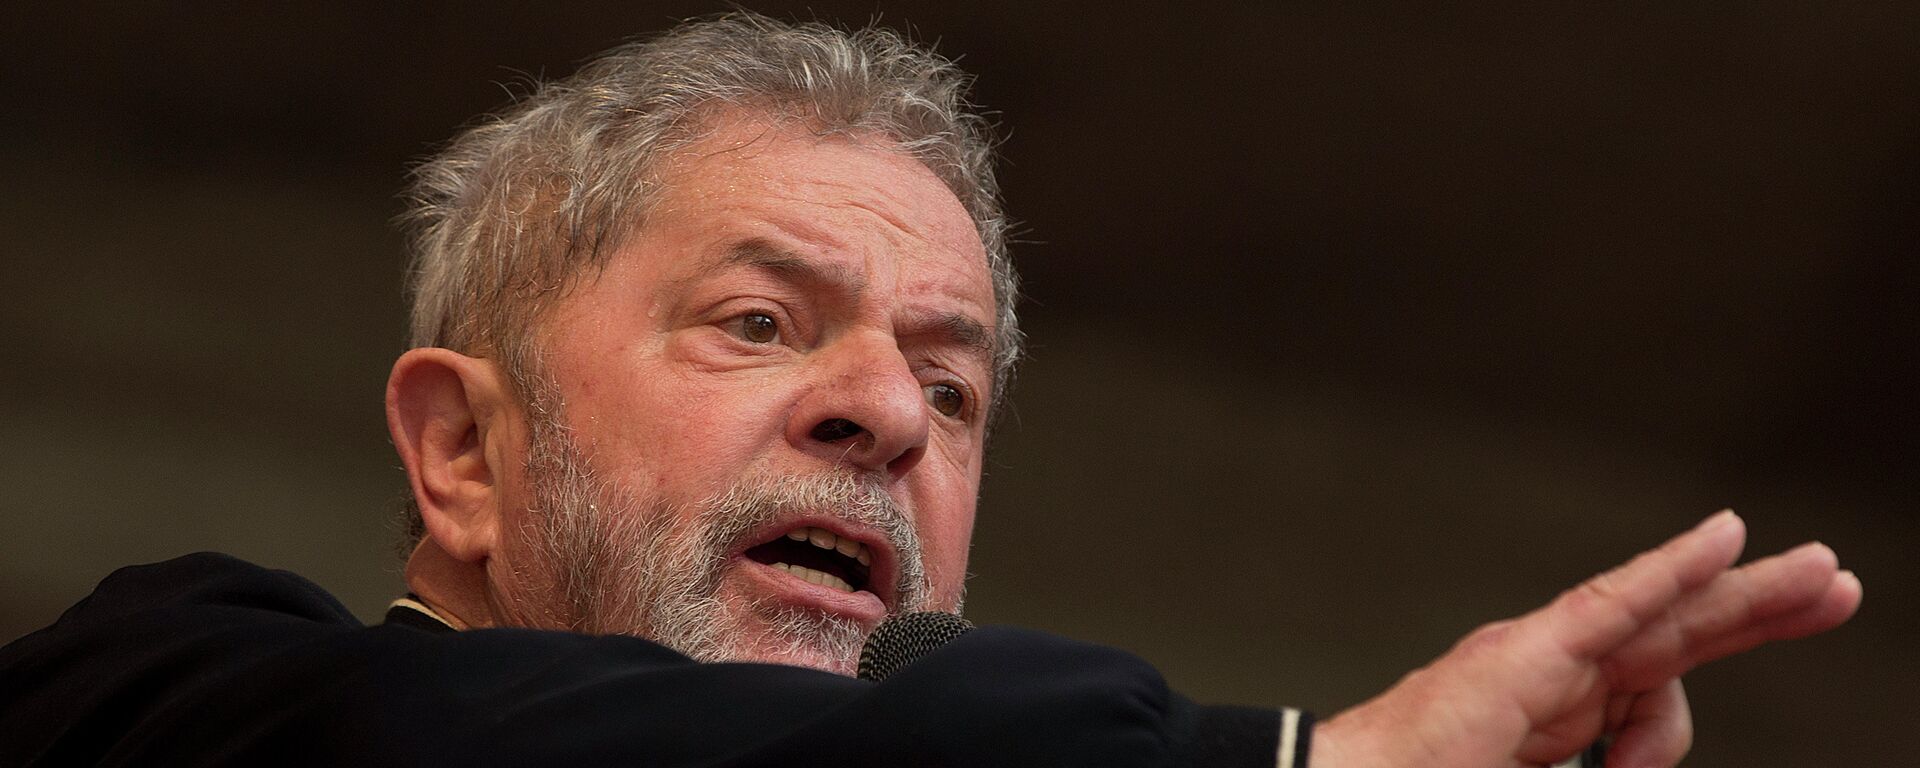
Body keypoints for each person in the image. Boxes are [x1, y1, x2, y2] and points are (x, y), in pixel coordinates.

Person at [0, 13, 1860, 768]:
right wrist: (1322, 762)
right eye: (758, 324)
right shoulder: (163, 694)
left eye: (955, 394)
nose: (888, 415)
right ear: (463, 452)